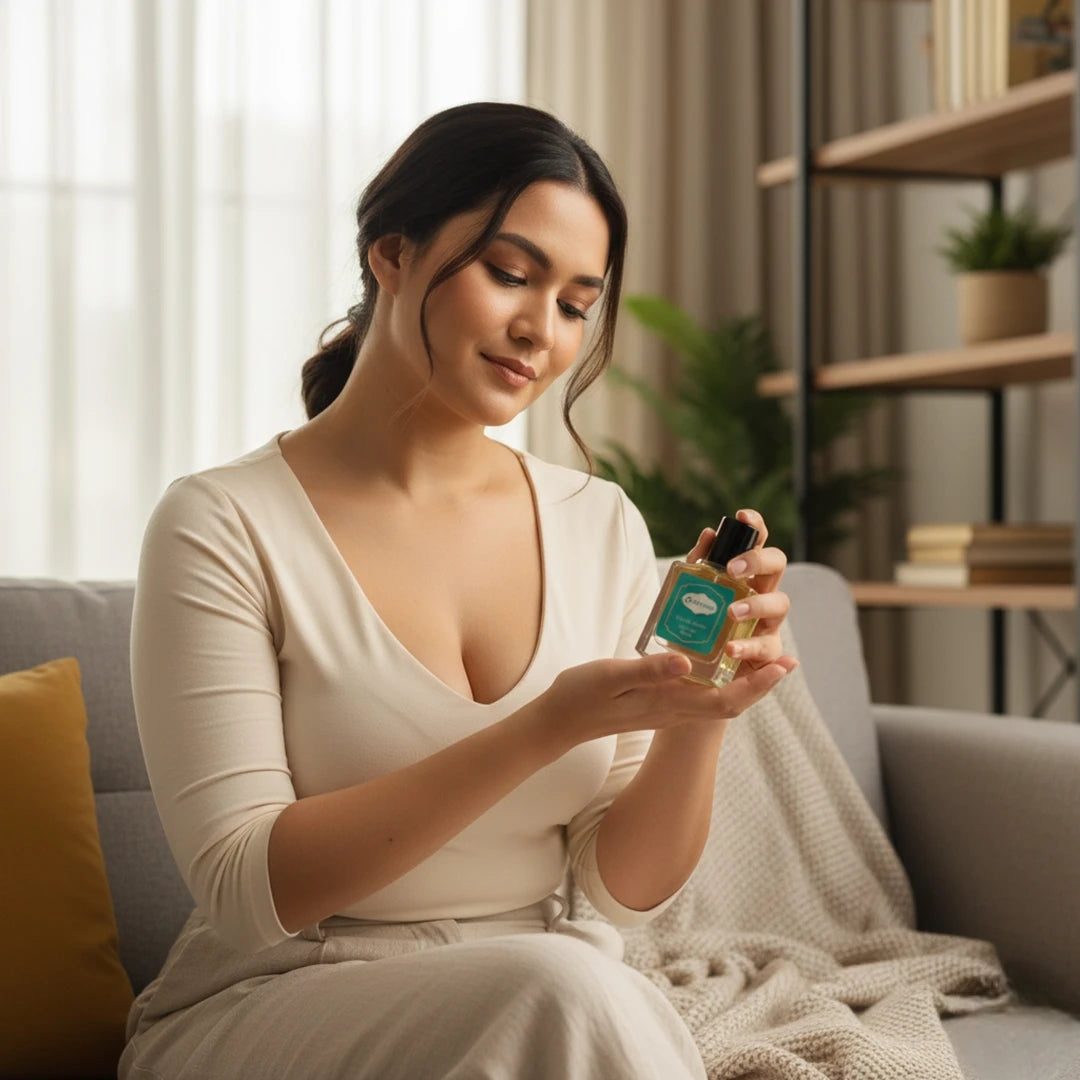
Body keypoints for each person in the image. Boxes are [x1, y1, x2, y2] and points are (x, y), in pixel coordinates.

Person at [118, 101, 797, 1080]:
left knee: (573, 989)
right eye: (511, 274)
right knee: (567, 994)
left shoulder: (596, 522)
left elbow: (624, 893)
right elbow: (246, 889)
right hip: (277, 1001)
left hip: (544, 989)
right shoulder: (221, 523)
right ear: (391, 253)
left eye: (574, 303)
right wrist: (545, 725)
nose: (540, 331)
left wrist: (703, 714)